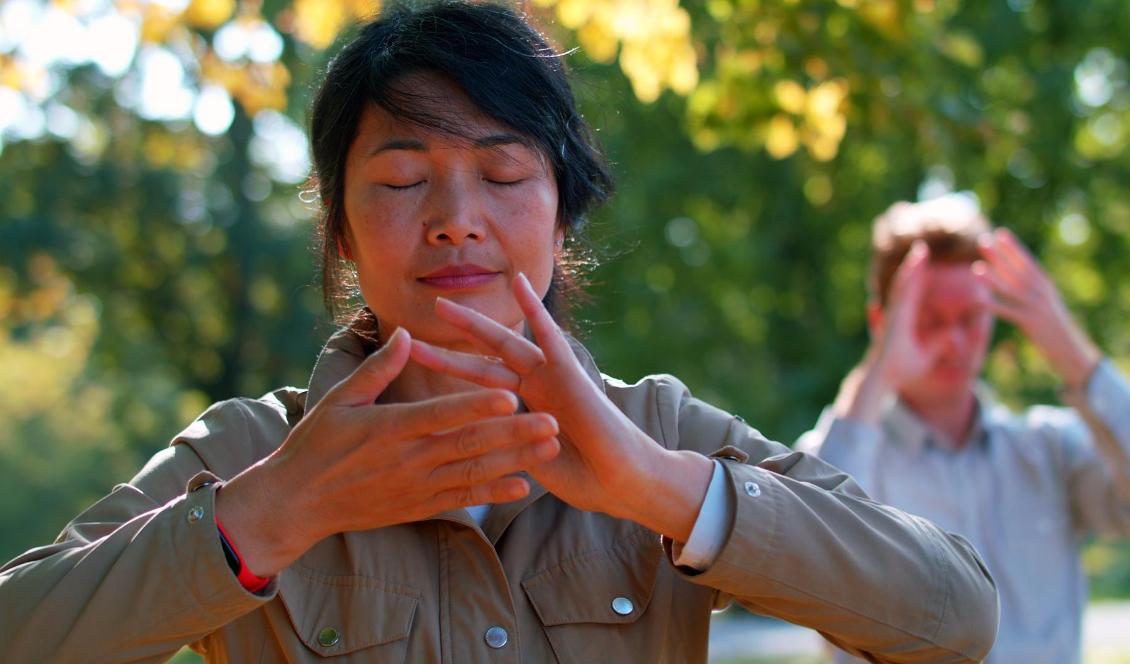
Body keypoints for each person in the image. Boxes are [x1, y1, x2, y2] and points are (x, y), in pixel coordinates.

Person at [0, 4, 997, 662]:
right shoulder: (255, 451)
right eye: (402, 179)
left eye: (504, 172)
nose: (455, 219)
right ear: (341, 231)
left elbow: (955, 617)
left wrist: (656, 486)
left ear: (562, 219)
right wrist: (269, 515)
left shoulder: (657, 430)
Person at [799, 194, 1130, 664]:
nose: (953, 341)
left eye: (970, 318)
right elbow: (811, 543)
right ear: (882, 323)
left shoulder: (1050, 449)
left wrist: (1071, 350)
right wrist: (880, 368)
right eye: (929, 319)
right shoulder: (844, 455)